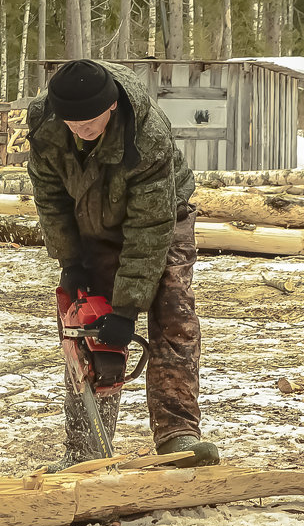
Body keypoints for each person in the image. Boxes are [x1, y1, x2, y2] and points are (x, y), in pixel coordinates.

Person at [26, 58, 219, 470]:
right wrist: (71, 262)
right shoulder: (46, 126)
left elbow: (150, 228)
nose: (82, 129)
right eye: (73, 122)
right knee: (87, 326)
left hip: (164, 216)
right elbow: (51, 199)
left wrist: (128, 307)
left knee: (172, 313)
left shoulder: (146, 135)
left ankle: (178, 433)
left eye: (90, 120)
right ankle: (85, 448)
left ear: (111, 106)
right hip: (90, 218)